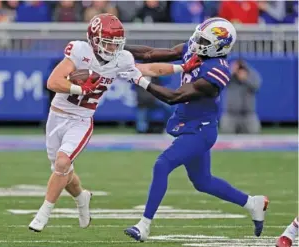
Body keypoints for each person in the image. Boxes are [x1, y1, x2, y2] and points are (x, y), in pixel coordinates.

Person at [28, 13, 194, 232]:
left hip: (81, 119)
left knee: (61, 163)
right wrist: (79, 87)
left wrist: (182, 67)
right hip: (56, 115)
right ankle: (82, 197)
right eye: (108, 43)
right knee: (63, 172)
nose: (113, 49)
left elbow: (149, 69)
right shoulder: (79, 51)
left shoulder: (121, 59)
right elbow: (53, 81)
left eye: (117, 44)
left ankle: (43, 214)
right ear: (94, 40)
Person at [123, 17, 269, 242]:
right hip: (189, 124)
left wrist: (141, 81)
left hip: (200, 130)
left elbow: (175, 97)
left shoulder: (217, 71)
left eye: (203, 39)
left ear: (218, 45)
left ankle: (144, 225)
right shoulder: (196, 51)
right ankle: (253, 203)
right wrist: (119, 49)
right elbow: (151, 53)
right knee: (203, 182)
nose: (196, 41)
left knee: (162, 165)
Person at [220, 58, 261, 134]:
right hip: (230, 115)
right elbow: (221, 82)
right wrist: (232, 72)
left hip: (248, 115)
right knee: (227, 138)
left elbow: (256, 86)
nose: (240, 69)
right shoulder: (229, 76)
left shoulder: (251, 74)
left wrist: (246, 79)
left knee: (254, 138)